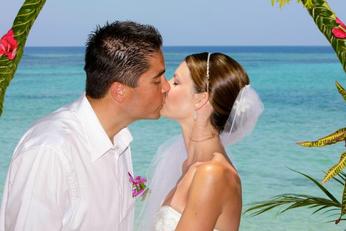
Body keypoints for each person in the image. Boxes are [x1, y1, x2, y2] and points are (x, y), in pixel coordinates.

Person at [0, 21, 170, 231]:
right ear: (119, 91)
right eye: (157, 79)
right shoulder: (50, 151)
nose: (166, 86)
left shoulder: (119, 141)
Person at [139, 52, 263, 231]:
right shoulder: (188, 166)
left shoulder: (213, 173)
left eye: (176, 82)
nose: (164, 86)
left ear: (201, 99)